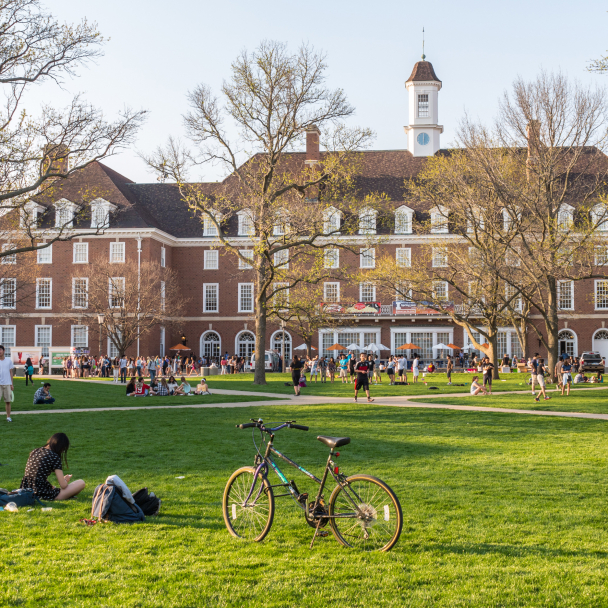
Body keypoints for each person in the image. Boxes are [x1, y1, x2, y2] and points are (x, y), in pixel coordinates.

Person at [20, 433, 85, 500]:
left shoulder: (35, 451)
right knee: (81, 483)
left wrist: (49, 486)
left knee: (53, 487)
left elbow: (36, 475)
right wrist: (65, 479)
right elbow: (63, 485)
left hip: (26, 489)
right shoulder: (54, 456)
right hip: (41, 493)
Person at [0, 345, 15, 422]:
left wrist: (11, 384)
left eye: (0, 350)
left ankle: (8, 417)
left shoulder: (8, 361)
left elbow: (10, 373)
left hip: (7, 384)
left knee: (8, 401)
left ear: (4, 351)